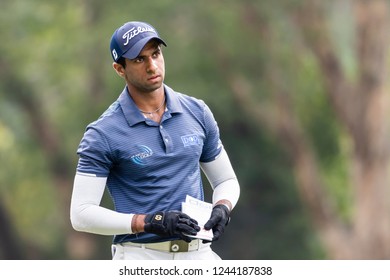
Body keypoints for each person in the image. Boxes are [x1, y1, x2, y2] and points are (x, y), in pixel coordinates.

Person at [70, 21, 240, 260]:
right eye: (140, 59)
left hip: (199, 254)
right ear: (120, 69)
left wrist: (223, 206)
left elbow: (226, 179)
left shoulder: (197, 112)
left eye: (156, 54)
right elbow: (81, 214)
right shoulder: (103, 133)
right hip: (140, 257)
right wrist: (148, 222)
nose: (152, 66)